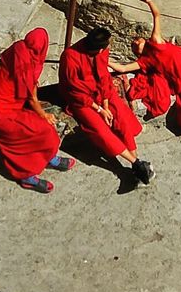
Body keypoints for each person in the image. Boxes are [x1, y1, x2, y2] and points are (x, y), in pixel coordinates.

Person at [0, 28, 75, 193]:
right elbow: (32, 98)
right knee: (42, 131)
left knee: (41, 130)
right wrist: (43, 114)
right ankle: (27, 177)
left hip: (4, 107)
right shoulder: (25, 65)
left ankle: (49, 158)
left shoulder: (19, 49)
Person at [59, 26, 154, 185]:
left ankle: (136, 165)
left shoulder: (101, 52)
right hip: (81, 100)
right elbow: (75, 91)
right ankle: (136, 162)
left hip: (102, 93)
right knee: (100, 130)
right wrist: (99, 110)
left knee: (121, 118)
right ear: (100, 49)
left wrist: (106, 105)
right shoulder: (70, 58)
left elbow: (104, 78)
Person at [109, 0, 181, 133]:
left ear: (144, 40)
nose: (136, 42)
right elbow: (122, 69)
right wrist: (104, 60)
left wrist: (148, 1)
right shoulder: (145, 61)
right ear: (137, 53)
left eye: (137, 40)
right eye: (134, 45)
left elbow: (157, 16)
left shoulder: (155, 41)